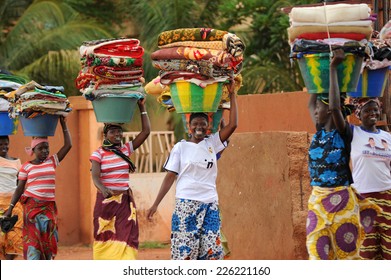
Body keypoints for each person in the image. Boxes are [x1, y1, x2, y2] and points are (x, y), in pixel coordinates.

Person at [147, 78, 238, 260]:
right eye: (195, 123)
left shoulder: (212, 143)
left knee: (211, 253)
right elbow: (169, 177)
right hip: (186, 204)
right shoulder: (180, 148)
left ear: (208, 128)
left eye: (203, 124)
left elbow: (233, 125)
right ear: (189, 127)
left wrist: (232, 93)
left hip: (210, 204)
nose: (199, 126)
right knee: (185, 254)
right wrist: (155, 203)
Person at [306, 49, 379, 260]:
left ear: (328, 110)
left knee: (346, 254)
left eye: (318, 108)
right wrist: (314, 68)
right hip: (318, 199)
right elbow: (310, 102)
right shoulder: (319, 132)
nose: (314, 111)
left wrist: (332, 68)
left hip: (342, 198)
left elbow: (337, 108)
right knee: (316, 252)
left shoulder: (343, 132)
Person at [4, 116, 72, 260]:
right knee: (34, 243)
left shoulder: (52, 161)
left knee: (48, 242)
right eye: (41, 149)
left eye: (46, 148)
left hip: (49, 208)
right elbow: (19, 189)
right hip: (32, 208)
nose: (45, 151)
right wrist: (10, 209)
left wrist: (63, 125)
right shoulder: (26, 167)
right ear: (33, 150)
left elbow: (68, 145)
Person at [90, 98, 150, 260]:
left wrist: (141, 107)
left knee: (128, 237)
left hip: (124, 203)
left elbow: (145, 132)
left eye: (119, 131)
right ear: (105, 135)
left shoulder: (125, 149)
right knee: (105, 237)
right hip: (106, 204)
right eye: (113, 132)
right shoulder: (98, 153)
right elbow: (95, 177)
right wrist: (104, 190)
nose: (117, 135)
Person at [350, 96, 391, 259]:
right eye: (367, 110)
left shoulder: (387, 137)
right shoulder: (353, 132)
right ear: (358, 115)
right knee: (367, 245)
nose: (372, 113)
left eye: (375, 109)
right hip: (363, 197)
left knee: (388, 244)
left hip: (387, 196)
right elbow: (334, 115)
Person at [0, 135, 22, 260]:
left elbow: (20, 184)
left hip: (14, 204)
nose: (4, 147)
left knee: (15, 236)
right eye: (0, 145)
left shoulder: (16, 161)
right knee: (1, 238)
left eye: (5, 144)